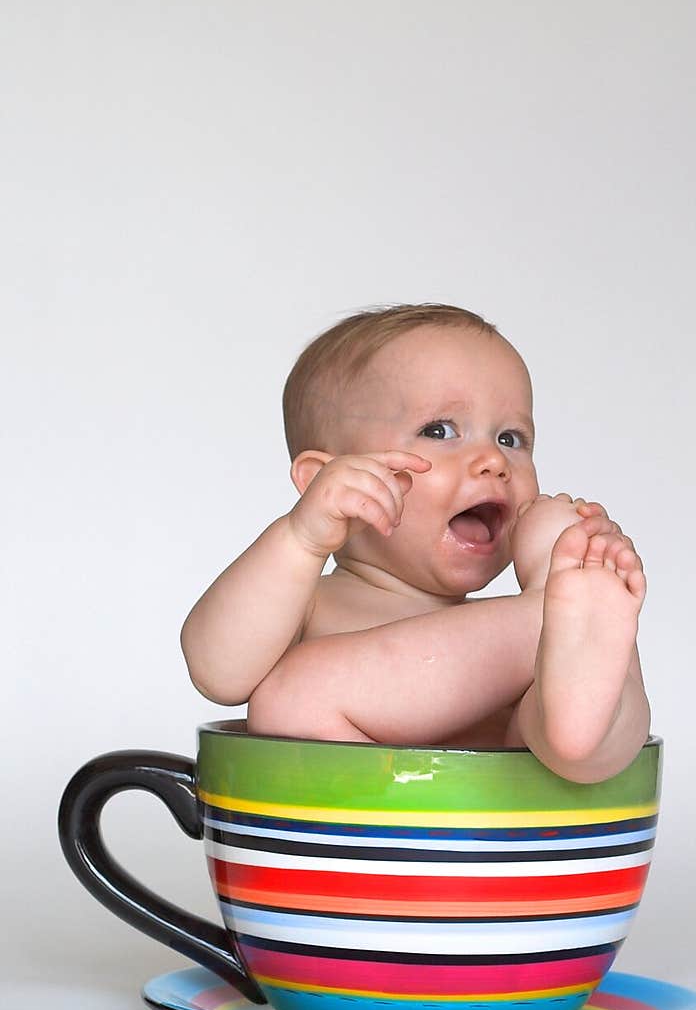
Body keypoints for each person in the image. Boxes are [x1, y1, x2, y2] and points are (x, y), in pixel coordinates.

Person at [180, 303, 650, 783]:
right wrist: (300, 537)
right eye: (439, 431)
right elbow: (218, 672)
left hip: (507, 807)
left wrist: (560, 555)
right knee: (287, 700)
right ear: (326, 480)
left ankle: (585, 706)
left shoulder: (519, 653)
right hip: (404, 826)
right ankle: (552, 610)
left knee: (564, 724)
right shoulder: (308, 605)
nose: (492, 459)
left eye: (511, 438)